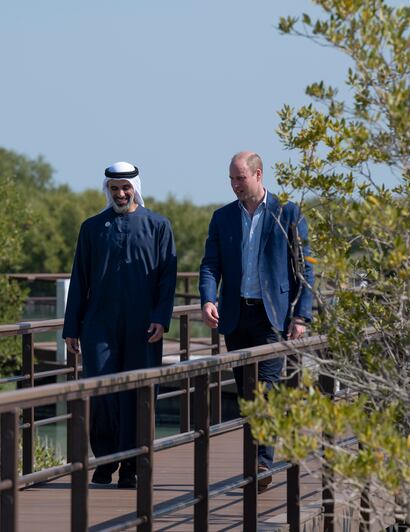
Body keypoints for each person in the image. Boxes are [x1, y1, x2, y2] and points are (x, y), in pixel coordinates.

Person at [199, 151, 314, 492]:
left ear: (258, 174)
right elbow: (210, 265)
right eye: (231, 179)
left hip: (271, 316)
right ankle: (258, 461)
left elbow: (305, 267)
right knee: (248, 396)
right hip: (236, 316)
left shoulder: (287, 213)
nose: (235, 185)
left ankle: (261, 463)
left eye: (240, 178)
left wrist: (301, 315)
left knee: (265, 390)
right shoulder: (222, 218)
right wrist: (208, 298)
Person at [63, 161, 177, 489]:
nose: (121, 194)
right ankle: (104, 459)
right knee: (99, 390)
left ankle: (132, 464)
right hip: (98, 325)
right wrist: (72, 327)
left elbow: (167, 280)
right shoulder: (91, 228)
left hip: (143, 327)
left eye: (125, 188)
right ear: (108, 190)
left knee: (137, 392)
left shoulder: (158, 226)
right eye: (114, 188)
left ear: (135, 188)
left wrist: (161, 319)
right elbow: (80, 276)